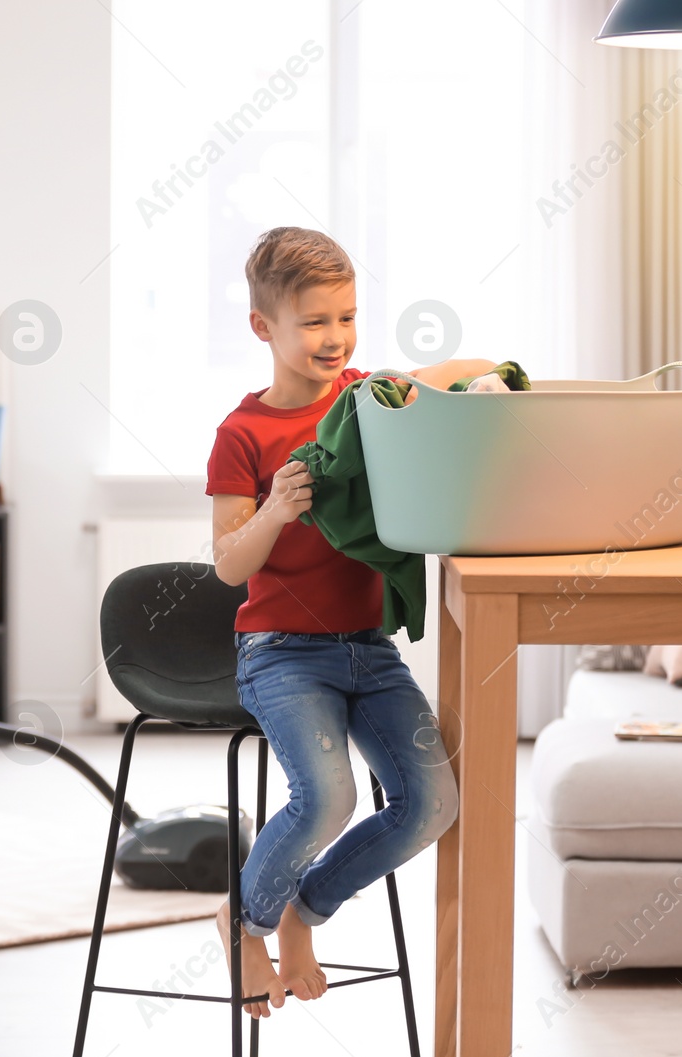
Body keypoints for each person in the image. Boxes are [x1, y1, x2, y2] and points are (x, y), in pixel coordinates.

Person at [205, 226, 483, 1016]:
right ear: (265, 327)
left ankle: (303, 909)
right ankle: (244, 923)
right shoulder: (243, 434)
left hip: (369, 647)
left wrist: (496, 375)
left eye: (348, 317)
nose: (336, 338)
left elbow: (438, 379)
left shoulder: (367, 401)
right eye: (315, 321)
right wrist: (276, 510)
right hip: (281, 653)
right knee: (327, 797)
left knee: (433, 803)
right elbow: (229, 562)